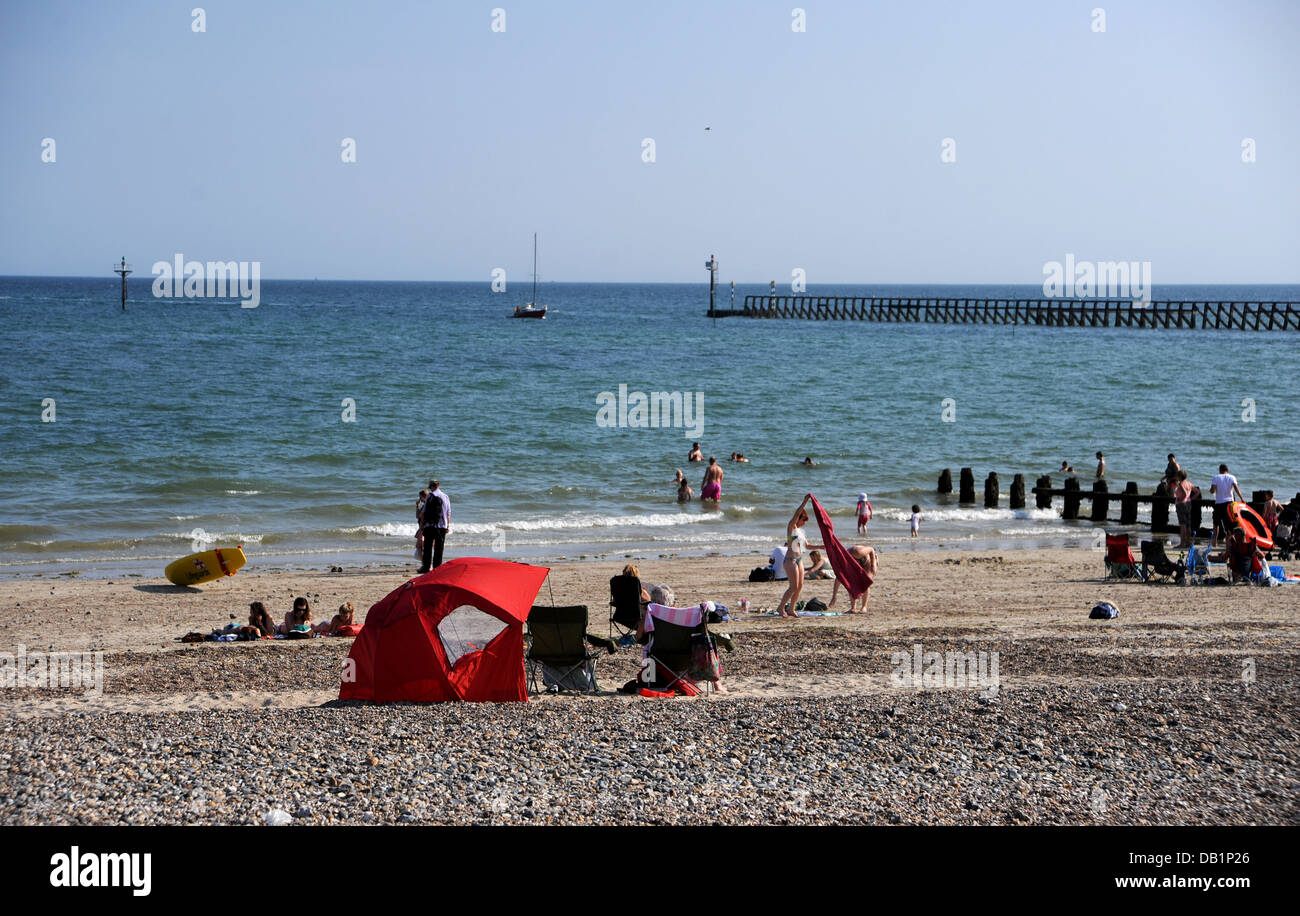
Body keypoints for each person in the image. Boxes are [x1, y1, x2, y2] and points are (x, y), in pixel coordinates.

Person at [776, 496, 824, 618]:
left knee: (800, 586)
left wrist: (820, 547)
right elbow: (796, 514)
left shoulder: (801, 532)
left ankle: (791, 609)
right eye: (803, 520)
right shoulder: (791, 527)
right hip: (790, 560)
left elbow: (807, 546)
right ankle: (781, 607)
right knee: (793, 587)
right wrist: (805, 502)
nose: (804, 523)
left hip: (799, 560)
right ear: (798, 519)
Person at [828, 544, 878, 613]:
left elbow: (871, 549)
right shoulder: (844, 562)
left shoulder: (856, 551)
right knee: (851, 583)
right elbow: (839, 578)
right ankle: (853, 607)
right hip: (855, 562)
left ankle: (864, 607)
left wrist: (873, 565)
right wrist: (834, 597)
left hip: (869, 560)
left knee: (865, 582)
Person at [418, 479, 451, 573]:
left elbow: (423, 512)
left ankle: (426, 568)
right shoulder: (445, 496)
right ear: (438, 486)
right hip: (442, 526)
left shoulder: (429, 496)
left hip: (430, 526)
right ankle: (437, 569)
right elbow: (448, 513)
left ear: (432, 487)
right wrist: (447, 526)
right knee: (439, 548)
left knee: (428, 547)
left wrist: (422, 524)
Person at [1210, 464, 1244, 547]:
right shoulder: (1232, 477)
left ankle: (1215, 541)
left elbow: (1212, 490)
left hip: (1219, 503)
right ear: (1227, 470)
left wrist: (1211, 490)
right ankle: (1229, 542)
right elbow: (1236, 488)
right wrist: (1242, 498)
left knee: (1216, 522)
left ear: (1219, 470)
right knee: (1229, 523)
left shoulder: (1216, 477)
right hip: (1229, 504)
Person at [1172, 470, 1195, 547]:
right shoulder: (1189, 483)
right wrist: (1190, 499)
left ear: (1179, 477)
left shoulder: (1181, 484)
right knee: (1188, 524)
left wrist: (1181, 499)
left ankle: (1182, 543)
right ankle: (1188, 542)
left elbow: (1184, 493)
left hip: (1181, 505)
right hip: (1188, 504)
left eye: (1177, 476)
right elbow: (1197, 492)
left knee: (1182, 524)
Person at [414, 488, 428, 561]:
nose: (420, 499)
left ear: (424, 496)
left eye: (420, 497)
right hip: (422, 528)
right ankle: (425, 564)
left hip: (424, 528)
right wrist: (417, 506)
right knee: (421, 546)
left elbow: (420, 516)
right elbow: (417, 516)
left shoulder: (427, 505)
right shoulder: (425, 505)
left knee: (419, 546)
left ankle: (425, 564)